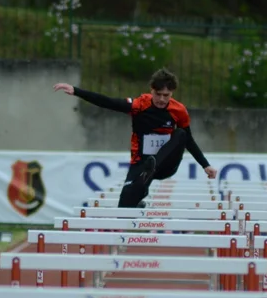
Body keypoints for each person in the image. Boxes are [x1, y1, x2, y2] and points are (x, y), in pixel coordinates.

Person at [53, 69, 218, 207]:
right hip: (141, 164)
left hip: (166, 164)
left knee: (181, 134)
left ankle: (151, 168)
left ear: (172, 93)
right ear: (151, 90)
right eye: (158, 94)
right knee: (123, 209)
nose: (161, 99)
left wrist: (205, 165)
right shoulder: (139, 105)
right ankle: (140, 198)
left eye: (166, 95)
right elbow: (108, 102)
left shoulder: (178, 110)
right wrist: (76, 91)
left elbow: (188, 140)